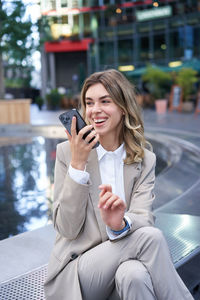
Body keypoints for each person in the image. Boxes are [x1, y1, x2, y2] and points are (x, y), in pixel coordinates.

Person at [44, 69, 193, 300]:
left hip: (124, 263)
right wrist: (78, 164)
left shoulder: (144, 160)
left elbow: (144, 216)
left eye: (105, 101)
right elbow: (67, 229)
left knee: (133, 276)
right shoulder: (68, 153)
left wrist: (120, 224)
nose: (95, 110)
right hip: (78, 274)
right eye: (89, 102)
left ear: (123, 107)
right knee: (151, 238)